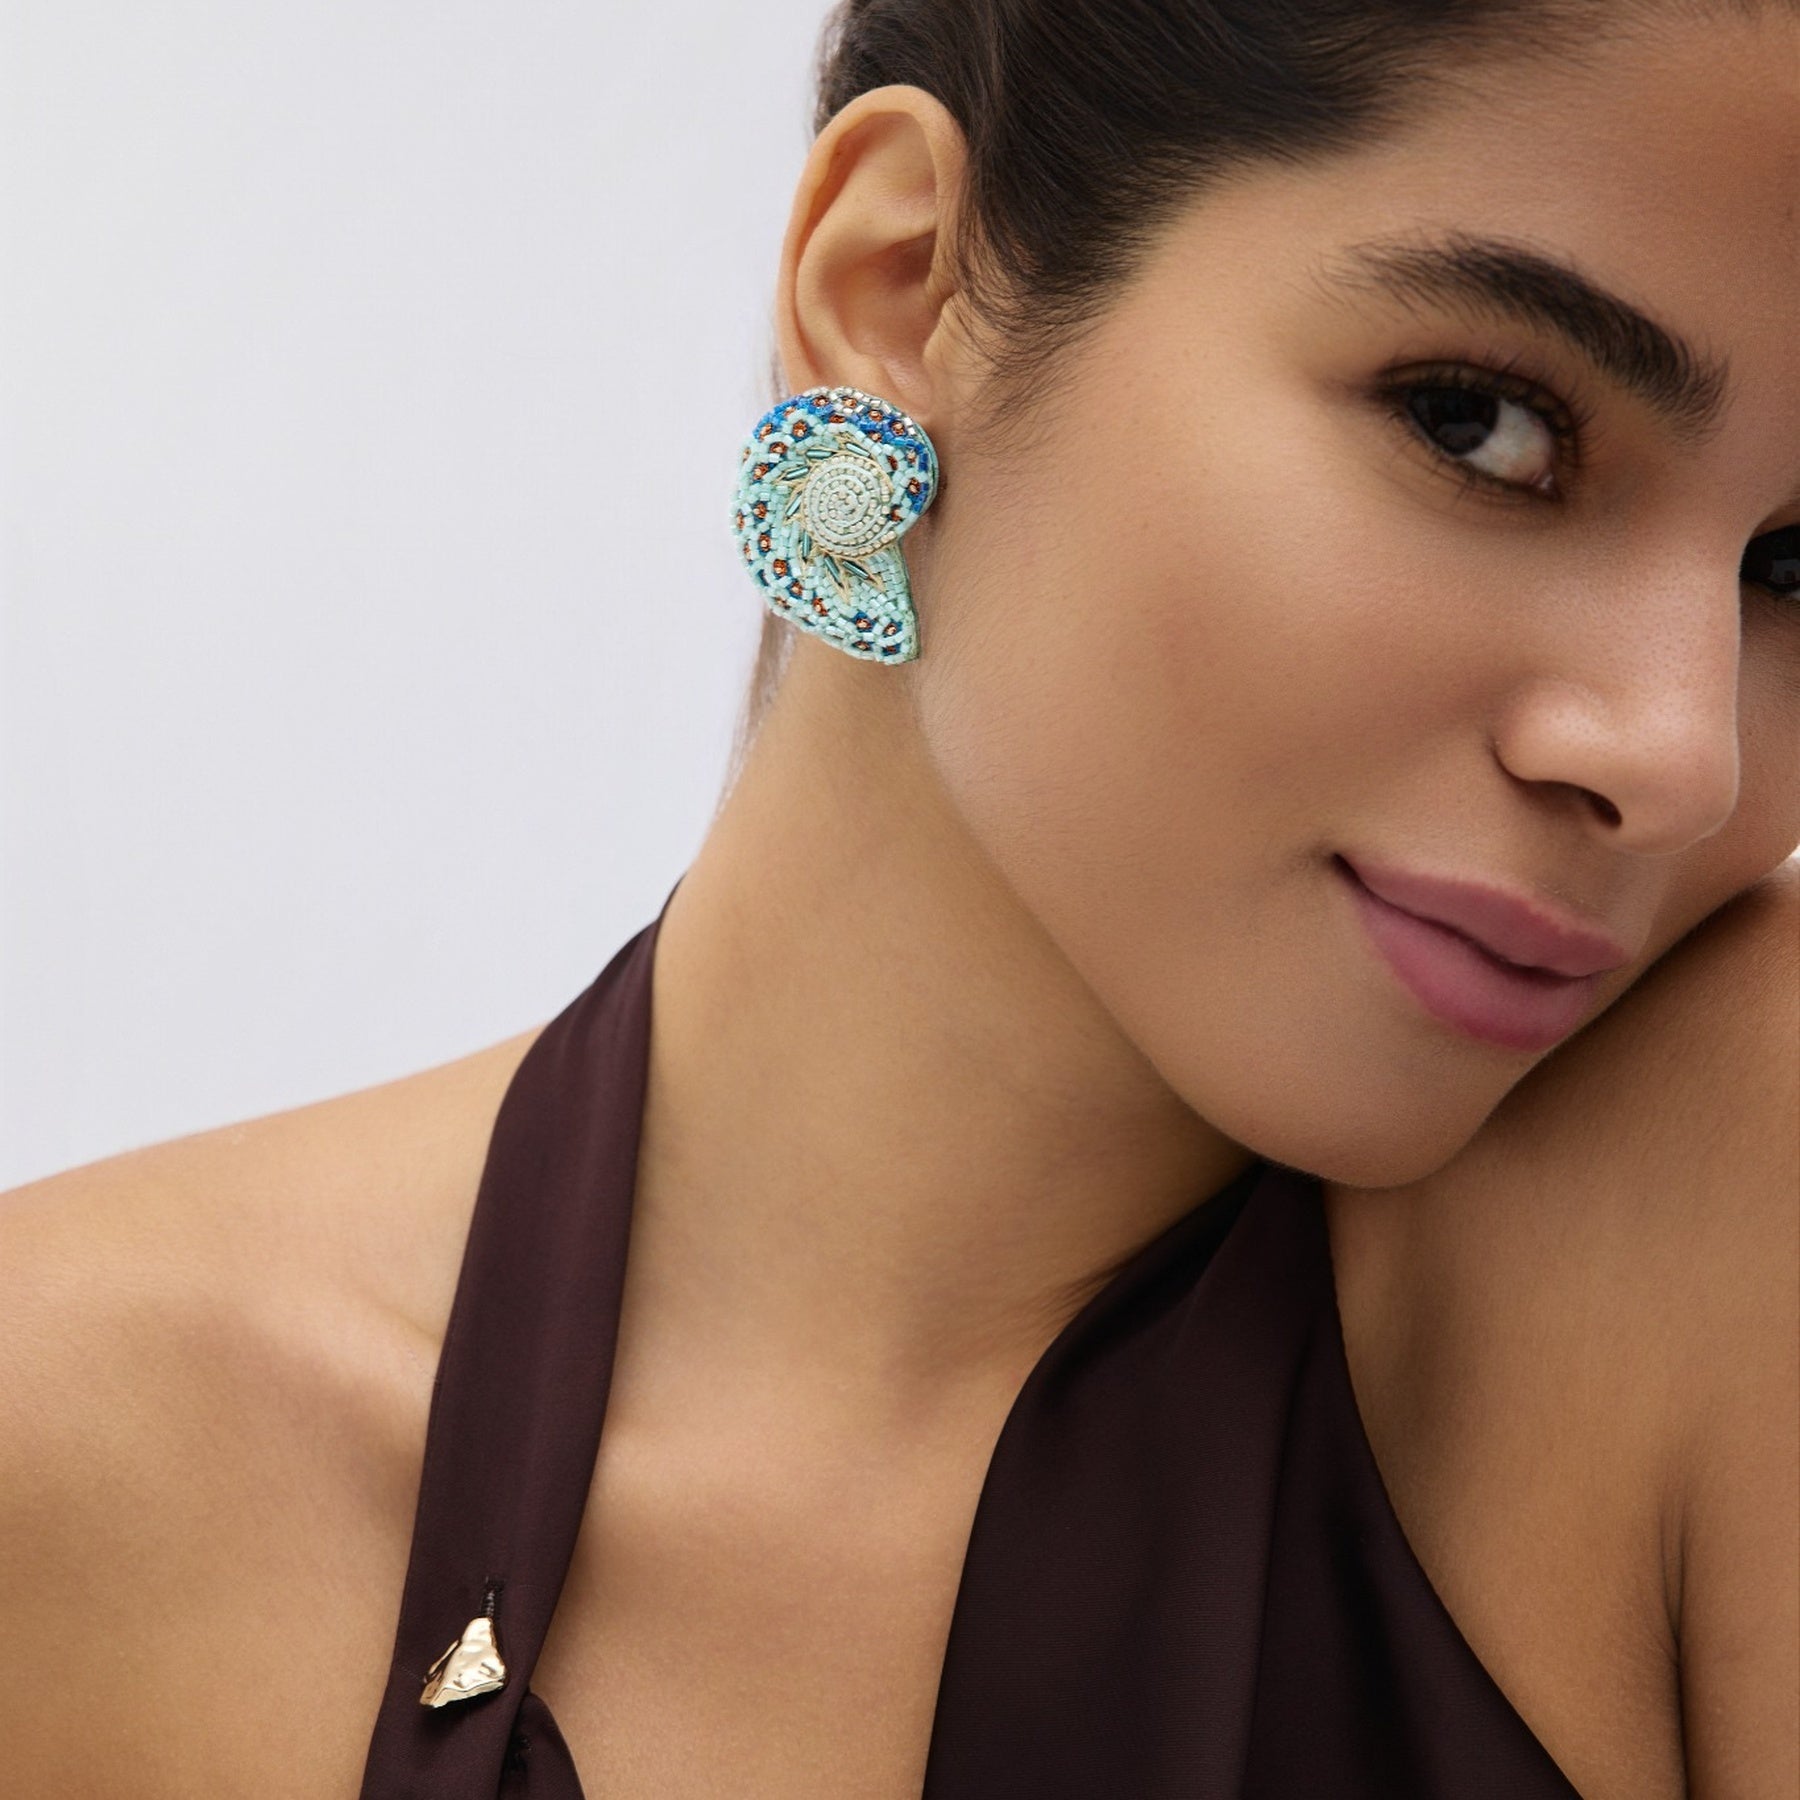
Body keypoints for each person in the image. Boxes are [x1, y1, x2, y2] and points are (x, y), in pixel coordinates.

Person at [3, 0, 1796, 1794]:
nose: (1681, 755)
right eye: (1480, 427)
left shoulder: (1725, 1215)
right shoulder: (70, 1466)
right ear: (900, 281)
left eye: (1792, 566)